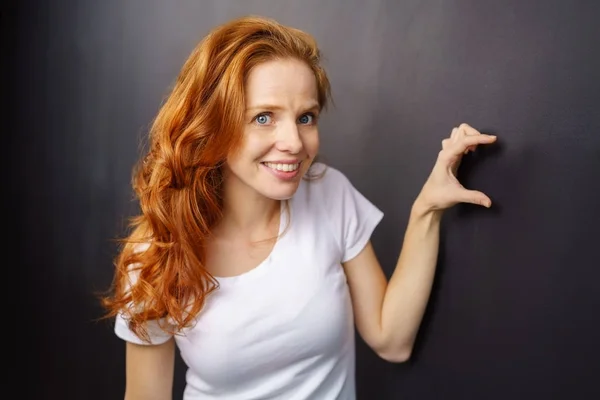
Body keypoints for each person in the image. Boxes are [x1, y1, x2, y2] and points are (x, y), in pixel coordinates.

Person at [101, 14, 497, 400]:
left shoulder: (329, 193)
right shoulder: (155, 254)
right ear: (212, 125)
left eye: (305, 117)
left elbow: (391, 339)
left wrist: (427, 208)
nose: (294, 141)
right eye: (263, 118)